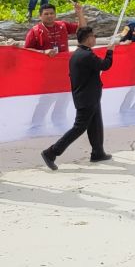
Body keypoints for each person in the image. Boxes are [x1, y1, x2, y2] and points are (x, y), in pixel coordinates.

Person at [41, 26, 113, 169]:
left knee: (96, 124)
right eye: (93, 36)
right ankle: (52, 152)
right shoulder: (86, 55)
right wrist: (110, 52)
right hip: (87, 98)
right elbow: (105, 65)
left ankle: (97, 152)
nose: (95, 38)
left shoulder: (79, 53)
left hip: (89, 95)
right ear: (88, 38)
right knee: (79, 127)